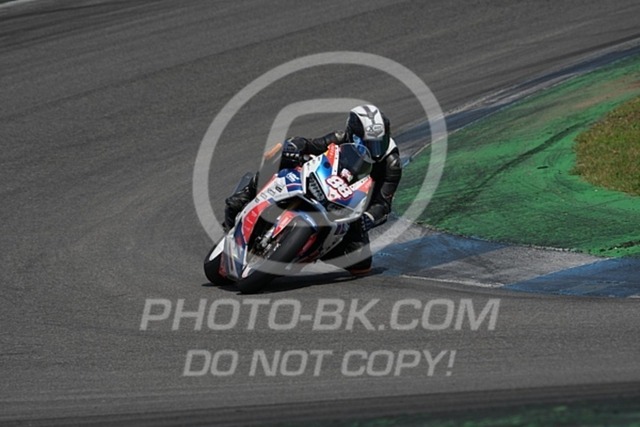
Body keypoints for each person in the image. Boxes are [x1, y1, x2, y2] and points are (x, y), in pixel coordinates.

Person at [223, 104, 402, 275]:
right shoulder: (340, 138)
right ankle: (247, 193)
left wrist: (368, 219)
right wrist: (293, 147)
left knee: (361, 263)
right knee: (281, 155)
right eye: (367, 143)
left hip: (352, 209)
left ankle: (308, 250)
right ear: (351, 134)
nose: (374, 151)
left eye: (379, 143)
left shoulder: (391, 163)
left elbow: (383, 204)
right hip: (321, 183)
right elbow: (308, 144)